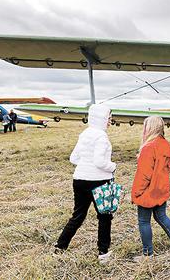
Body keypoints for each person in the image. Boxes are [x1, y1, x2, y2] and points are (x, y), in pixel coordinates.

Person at [54, 104, 117, 264]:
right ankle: (103, 253)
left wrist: (85, 165)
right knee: (104, 217)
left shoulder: (85, 134)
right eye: (109, 118)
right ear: (102, 119)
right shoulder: (101, 137)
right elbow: (99, 162)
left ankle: (59, 248)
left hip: (79, 179)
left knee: (78, 216)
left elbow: (73, 158)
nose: (110, 121)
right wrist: (113, 166)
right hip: (99, 181)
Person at [131, 116, 170, 261]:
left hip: (148, 190)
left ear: (149, 128)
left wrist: (137, 192)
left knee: (144, 221)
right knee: (161, 216)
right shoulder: (164, 144)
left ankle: (147, 254)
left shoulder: (149, 147)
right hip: (161, 187)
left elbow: (144, 175)